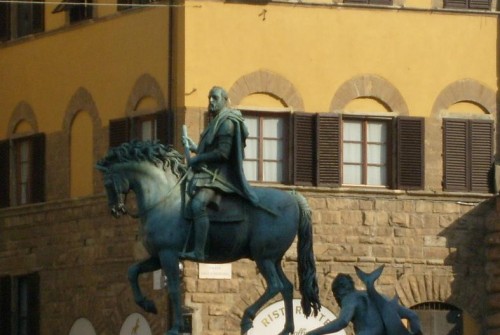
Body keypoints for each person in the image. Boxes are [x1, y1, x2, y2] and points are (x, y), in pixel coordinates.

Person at [181, 86, 258, 261]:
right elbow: (210, 148)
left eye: (215, 98)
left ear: (225, 100)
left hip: (219, 177)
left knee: (197, 205)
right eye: (209, 98)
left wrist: (198, 159)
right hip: (209, 174)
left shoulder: (227, 122)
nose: (211, 101)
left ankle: (199, 251)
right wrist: (194, 147)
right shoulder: (216, 122)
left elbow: (222, 153)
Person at [306, 271, 422, 335]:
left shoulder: (350, 297)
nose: (338, 302)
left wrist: (314, 333)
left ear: (340, 291)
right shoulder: (382, 297)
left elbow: (342, 321)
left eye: (336, 297)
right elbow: (412, 315)